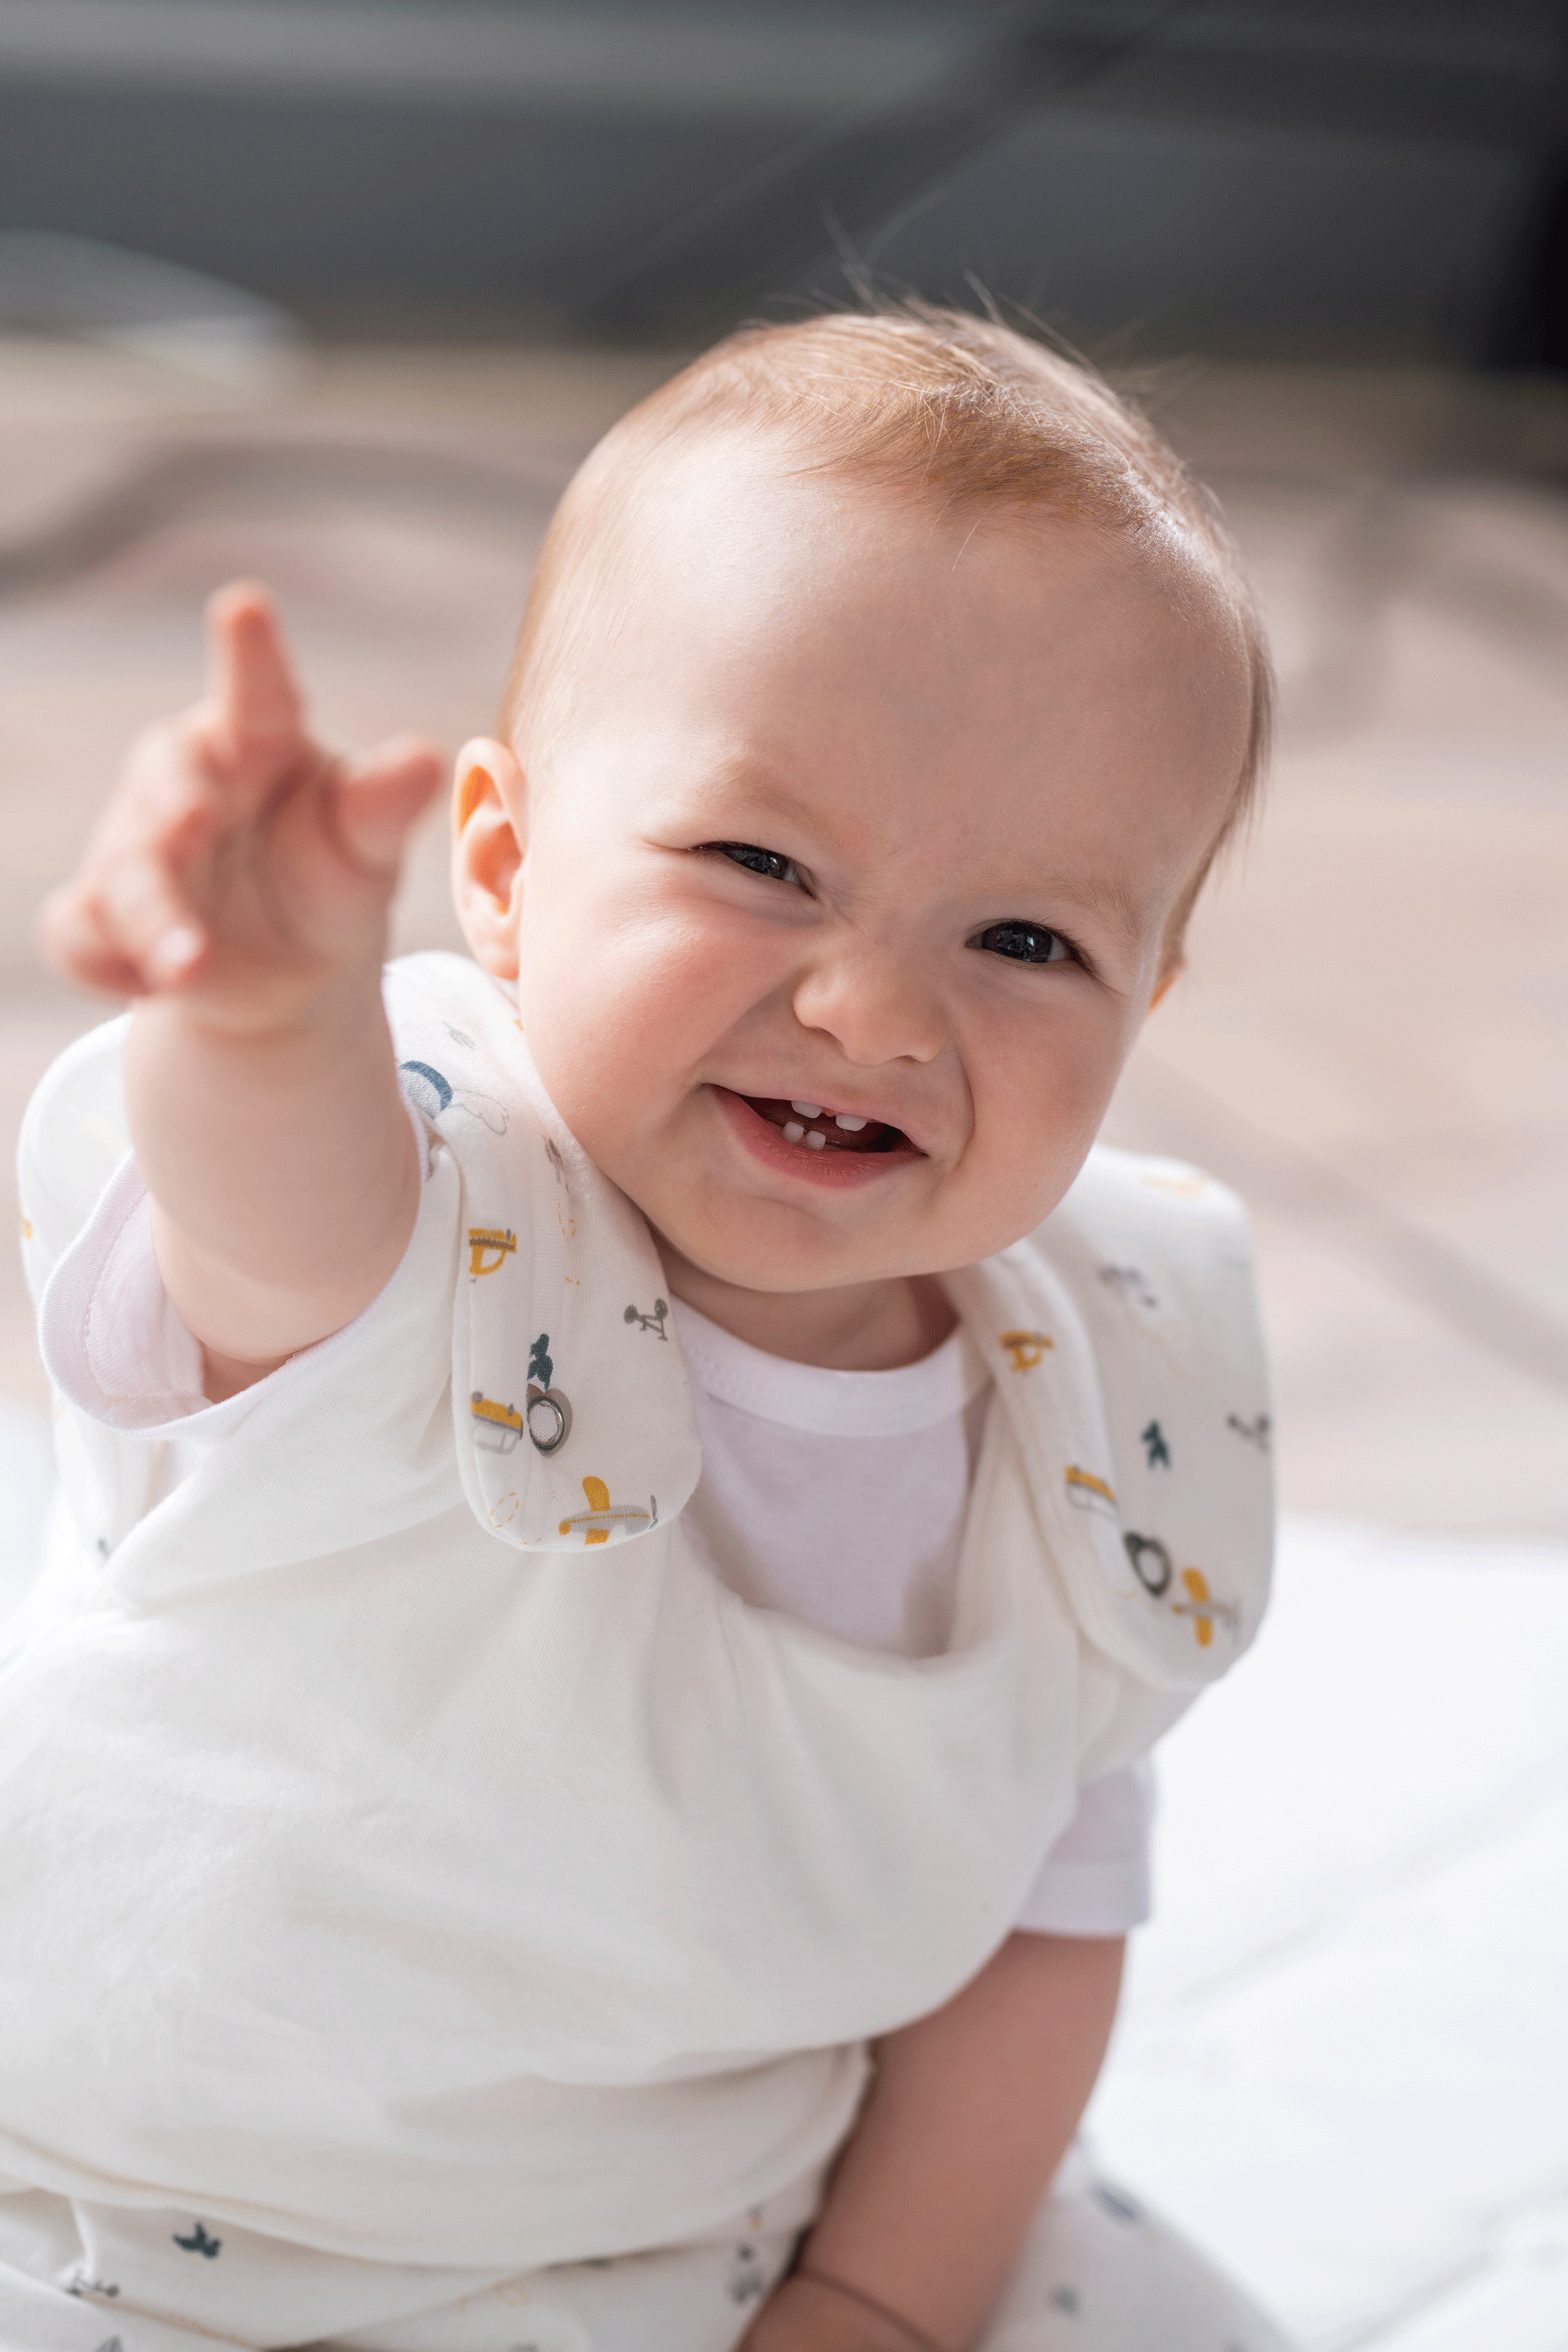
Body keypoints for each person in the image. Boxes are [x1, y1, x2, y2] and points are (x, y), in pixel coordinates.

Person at [3, 305, 1289, 2352]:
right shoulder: (431, 1203)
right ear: (503, 874)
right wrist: (258, 1024)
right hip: (130, 2207)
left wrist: (879, 2295)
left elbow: (1037, 1931)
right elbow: (275, 1240)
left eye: (1029, 938)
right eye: (760, 865)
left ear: (1150, 990)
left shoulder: (1100, 1407)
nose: (876, 1008)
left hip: (690, 2242)